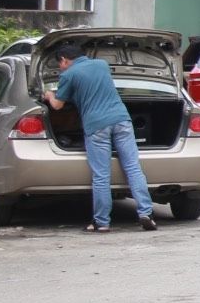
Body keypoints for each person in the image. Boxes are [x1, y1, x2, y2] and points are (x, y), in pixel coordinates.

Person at [46, 42, 156, 233]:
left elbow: (57, 106)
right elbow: (94, 87)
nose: (59, 68)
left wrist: (48, 95)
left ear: (64, 60)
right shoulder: (102, 65)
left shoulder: (68, 75)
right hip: (122, 119)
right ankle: (146, 212)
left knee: (101, 175)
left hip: (97, 125)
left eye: (59, 64)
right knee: (133, 168)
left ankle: (102, 222)